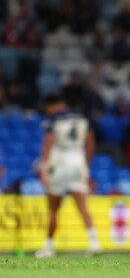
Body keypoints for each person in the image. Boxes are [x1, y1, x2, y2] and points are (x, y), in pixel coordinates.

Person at [35, 94, 101, 258]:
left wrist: (44, 167)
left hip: (59, 162)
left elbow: (48, 142)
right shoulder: (83, 118)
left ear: (51, 105)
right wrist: (85, 164)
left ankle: (49, 247)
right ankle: (94, 243)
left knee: (53, 209)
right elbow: (91, 142)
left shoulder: (52, 119)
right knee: (83, 206)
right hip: (78, 160)